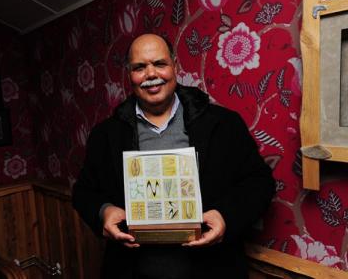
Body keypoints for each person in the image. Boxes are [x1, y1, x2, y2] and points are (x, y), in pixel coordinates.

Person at [72, 33, 275, 279]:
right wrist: (103, 211)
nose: (151, 75)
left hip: (213, 269)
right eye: (139, 67)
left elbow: (260, 182)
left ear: (174, 67)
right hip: (132, 270)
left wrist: (225, 216)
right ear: (129, 75)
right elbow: (84, 191)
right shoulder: (106, 135)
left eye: (159, 64)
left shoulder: (224, 124)